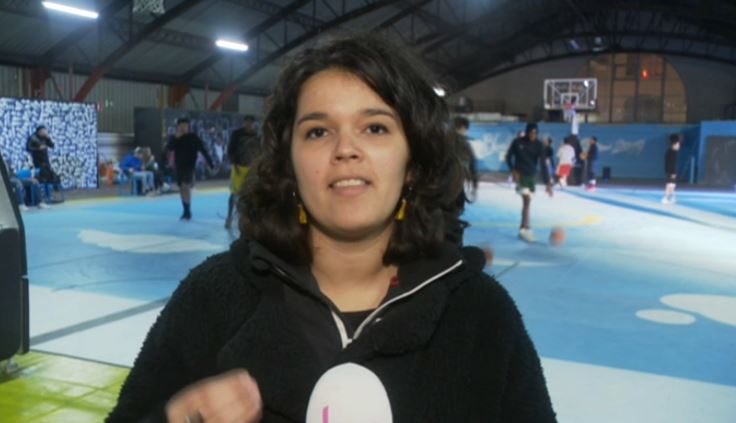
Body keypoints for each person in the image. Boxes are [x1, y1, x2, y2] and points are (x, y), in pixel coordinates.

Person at [107, 34, 556, 423]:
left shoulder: (481, 316)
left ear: (413, 162)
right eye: (318, 132)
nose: (346, 149)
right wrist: (178, 418)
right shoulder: (214, 298)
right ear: (289, 164)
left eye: (375, 128)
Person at [505, 123, 553, 242]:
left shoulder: (539, 145)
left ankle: (523, 227)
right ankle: (526, 228)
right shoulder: (517, 142)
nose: (533, 135)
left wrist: (548, 183)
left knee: (528, 201)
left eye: (535, 133)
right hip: (520, 176)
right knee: (526, 200)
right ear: (527, 132)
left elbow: (543, 164)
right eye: (531, 133)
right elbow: (508, 157)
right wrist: (513, 170)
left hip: (531, 177)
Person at [166, 118, 214, 220]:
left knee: (185, 185)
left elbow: (203, 150)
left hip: (189, 165)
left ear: (188, 127)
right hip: (179, 165)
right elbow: (169, 148)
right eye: (181, 126)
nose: (183, 128)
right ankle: (185, 209)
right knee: (181, 188)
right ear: (178, 127)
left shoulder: (193, 137)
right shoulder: (174, 137)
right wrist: (176, 138)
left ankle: (188, 211)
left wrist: (211, 164)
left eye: (185, 126)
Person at [225, 115, 261, 229]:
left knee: (250, 194)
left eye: (251, 122)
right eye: (247, 122)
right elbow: (230, 149)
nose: (249, 124)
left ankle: (246, 219)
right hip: (239, 167)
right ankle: (229, 216)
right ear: (244, 122)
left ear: (253, 123)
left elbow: (259, 151)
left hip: (252, 168)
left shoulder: (256, 135)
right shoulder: (237, 134)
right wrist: (234, 163)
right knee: (234, 193)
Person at [452, 116, 479, 201]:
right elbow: (472, 164)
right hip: (457, 181)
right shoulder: (464, 144)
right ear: (463, 128)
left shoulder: (442, 141)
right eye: (466, 129)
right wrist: (475, 184)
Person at [662, 134, 680, 204]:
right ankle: (665, 198)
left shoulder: (672, 152)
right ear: (674, 144)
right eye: (678, 144)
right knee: (670, 185)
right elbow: (670, 164)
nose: (679, 146)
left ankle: (672, 198)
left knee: (672, 185)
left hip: (670, 171)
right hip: (670, 171)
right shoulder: (671, 152)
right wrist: (672, 172)